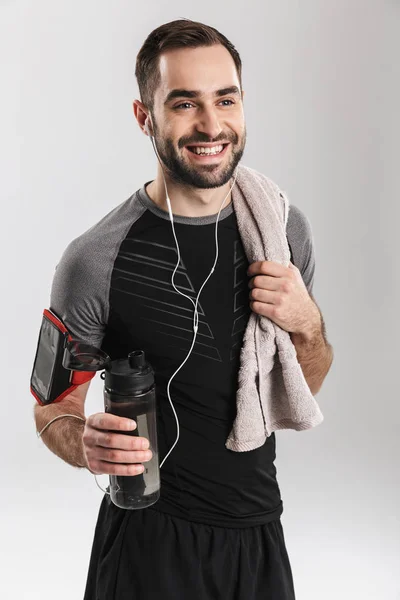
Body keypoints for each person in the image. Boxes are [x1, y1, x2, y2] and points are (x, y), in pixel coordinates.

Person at [33, 18, 333, 600]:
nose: (211, 125)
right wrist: (85, 444)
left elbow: (302, 384)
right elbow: (51, 409)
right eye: (184, 103)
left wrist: (308, 324)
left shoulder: (283, 230)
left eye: (226, 99)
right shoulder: (95, 260)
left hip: (259, 535)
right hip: (148, 541)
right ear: (145, 117)